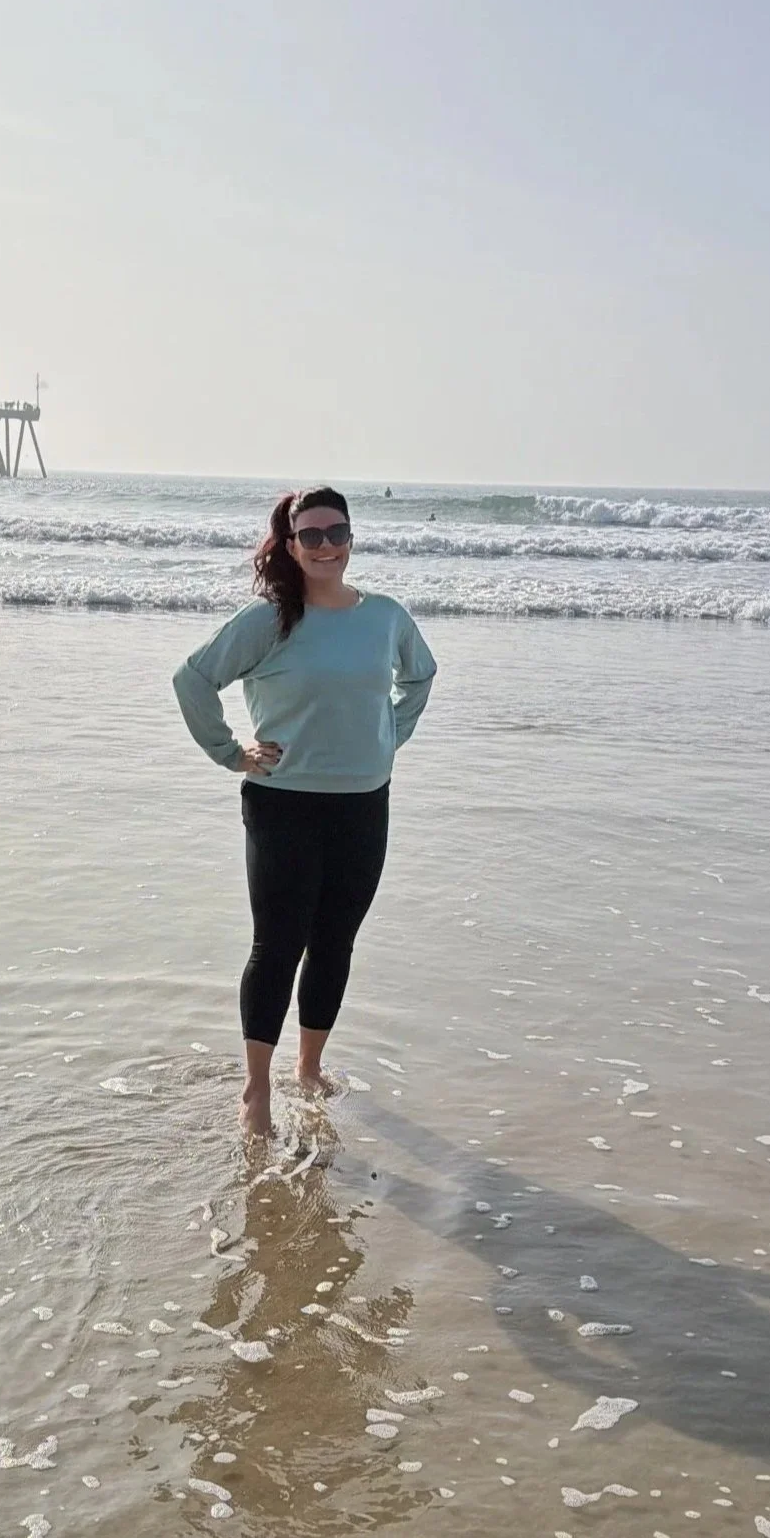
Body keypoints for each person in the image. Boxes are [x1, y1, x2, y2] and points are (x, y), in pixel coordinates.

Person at [172, 486, 436, 1136]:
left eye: (335, 532)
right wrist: (232, 753)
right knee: (278, 944)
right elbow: (193, 678)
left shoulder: (386, 617)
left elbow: (420, 677)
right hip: (282, 804)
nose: (325, 546)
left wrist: (388, 738)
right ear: (290, 546)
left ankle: (309, 1068)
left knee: (335, 943)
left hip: (363, 804)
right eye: (310, 535)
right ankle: (256, 1088)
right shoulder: (269, 620)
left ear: (351, 538)